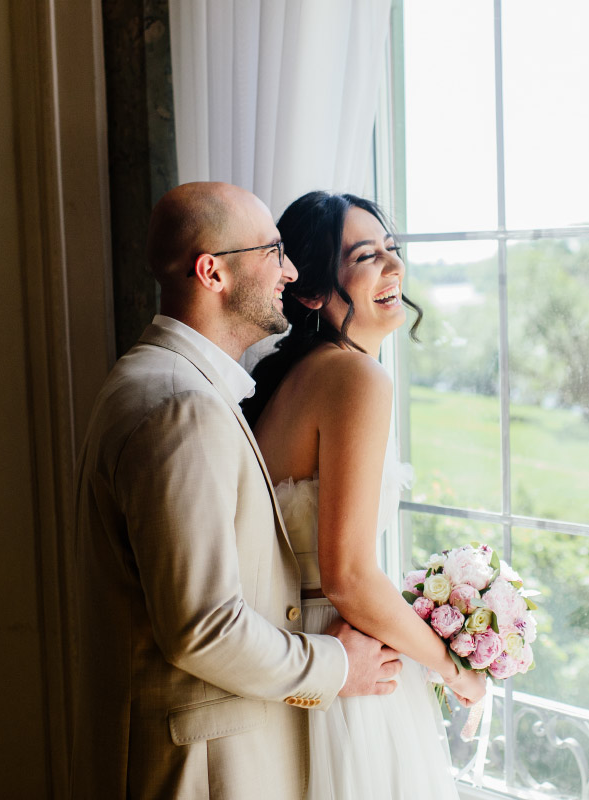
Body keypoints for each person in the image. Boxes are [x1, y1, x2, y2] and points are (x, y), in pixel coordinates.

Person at [69, 181, 404, 799]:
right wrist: (338, 666)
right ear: (213, 272)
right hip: (199, 767)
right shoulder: (181, 406)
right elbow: (203, 627)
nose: (291, 269)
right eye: (273, 251)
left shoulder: (167, 381)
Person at [245, 191, 487, 799]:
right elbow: (348, 577)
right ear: (309, 292)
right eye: (364, 256)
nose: (392, 267)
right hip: (347, 662)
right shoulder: (355, 377)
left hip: (304, 653)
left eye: (391, 249)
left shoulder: (297, 378)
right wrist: (452, 666)